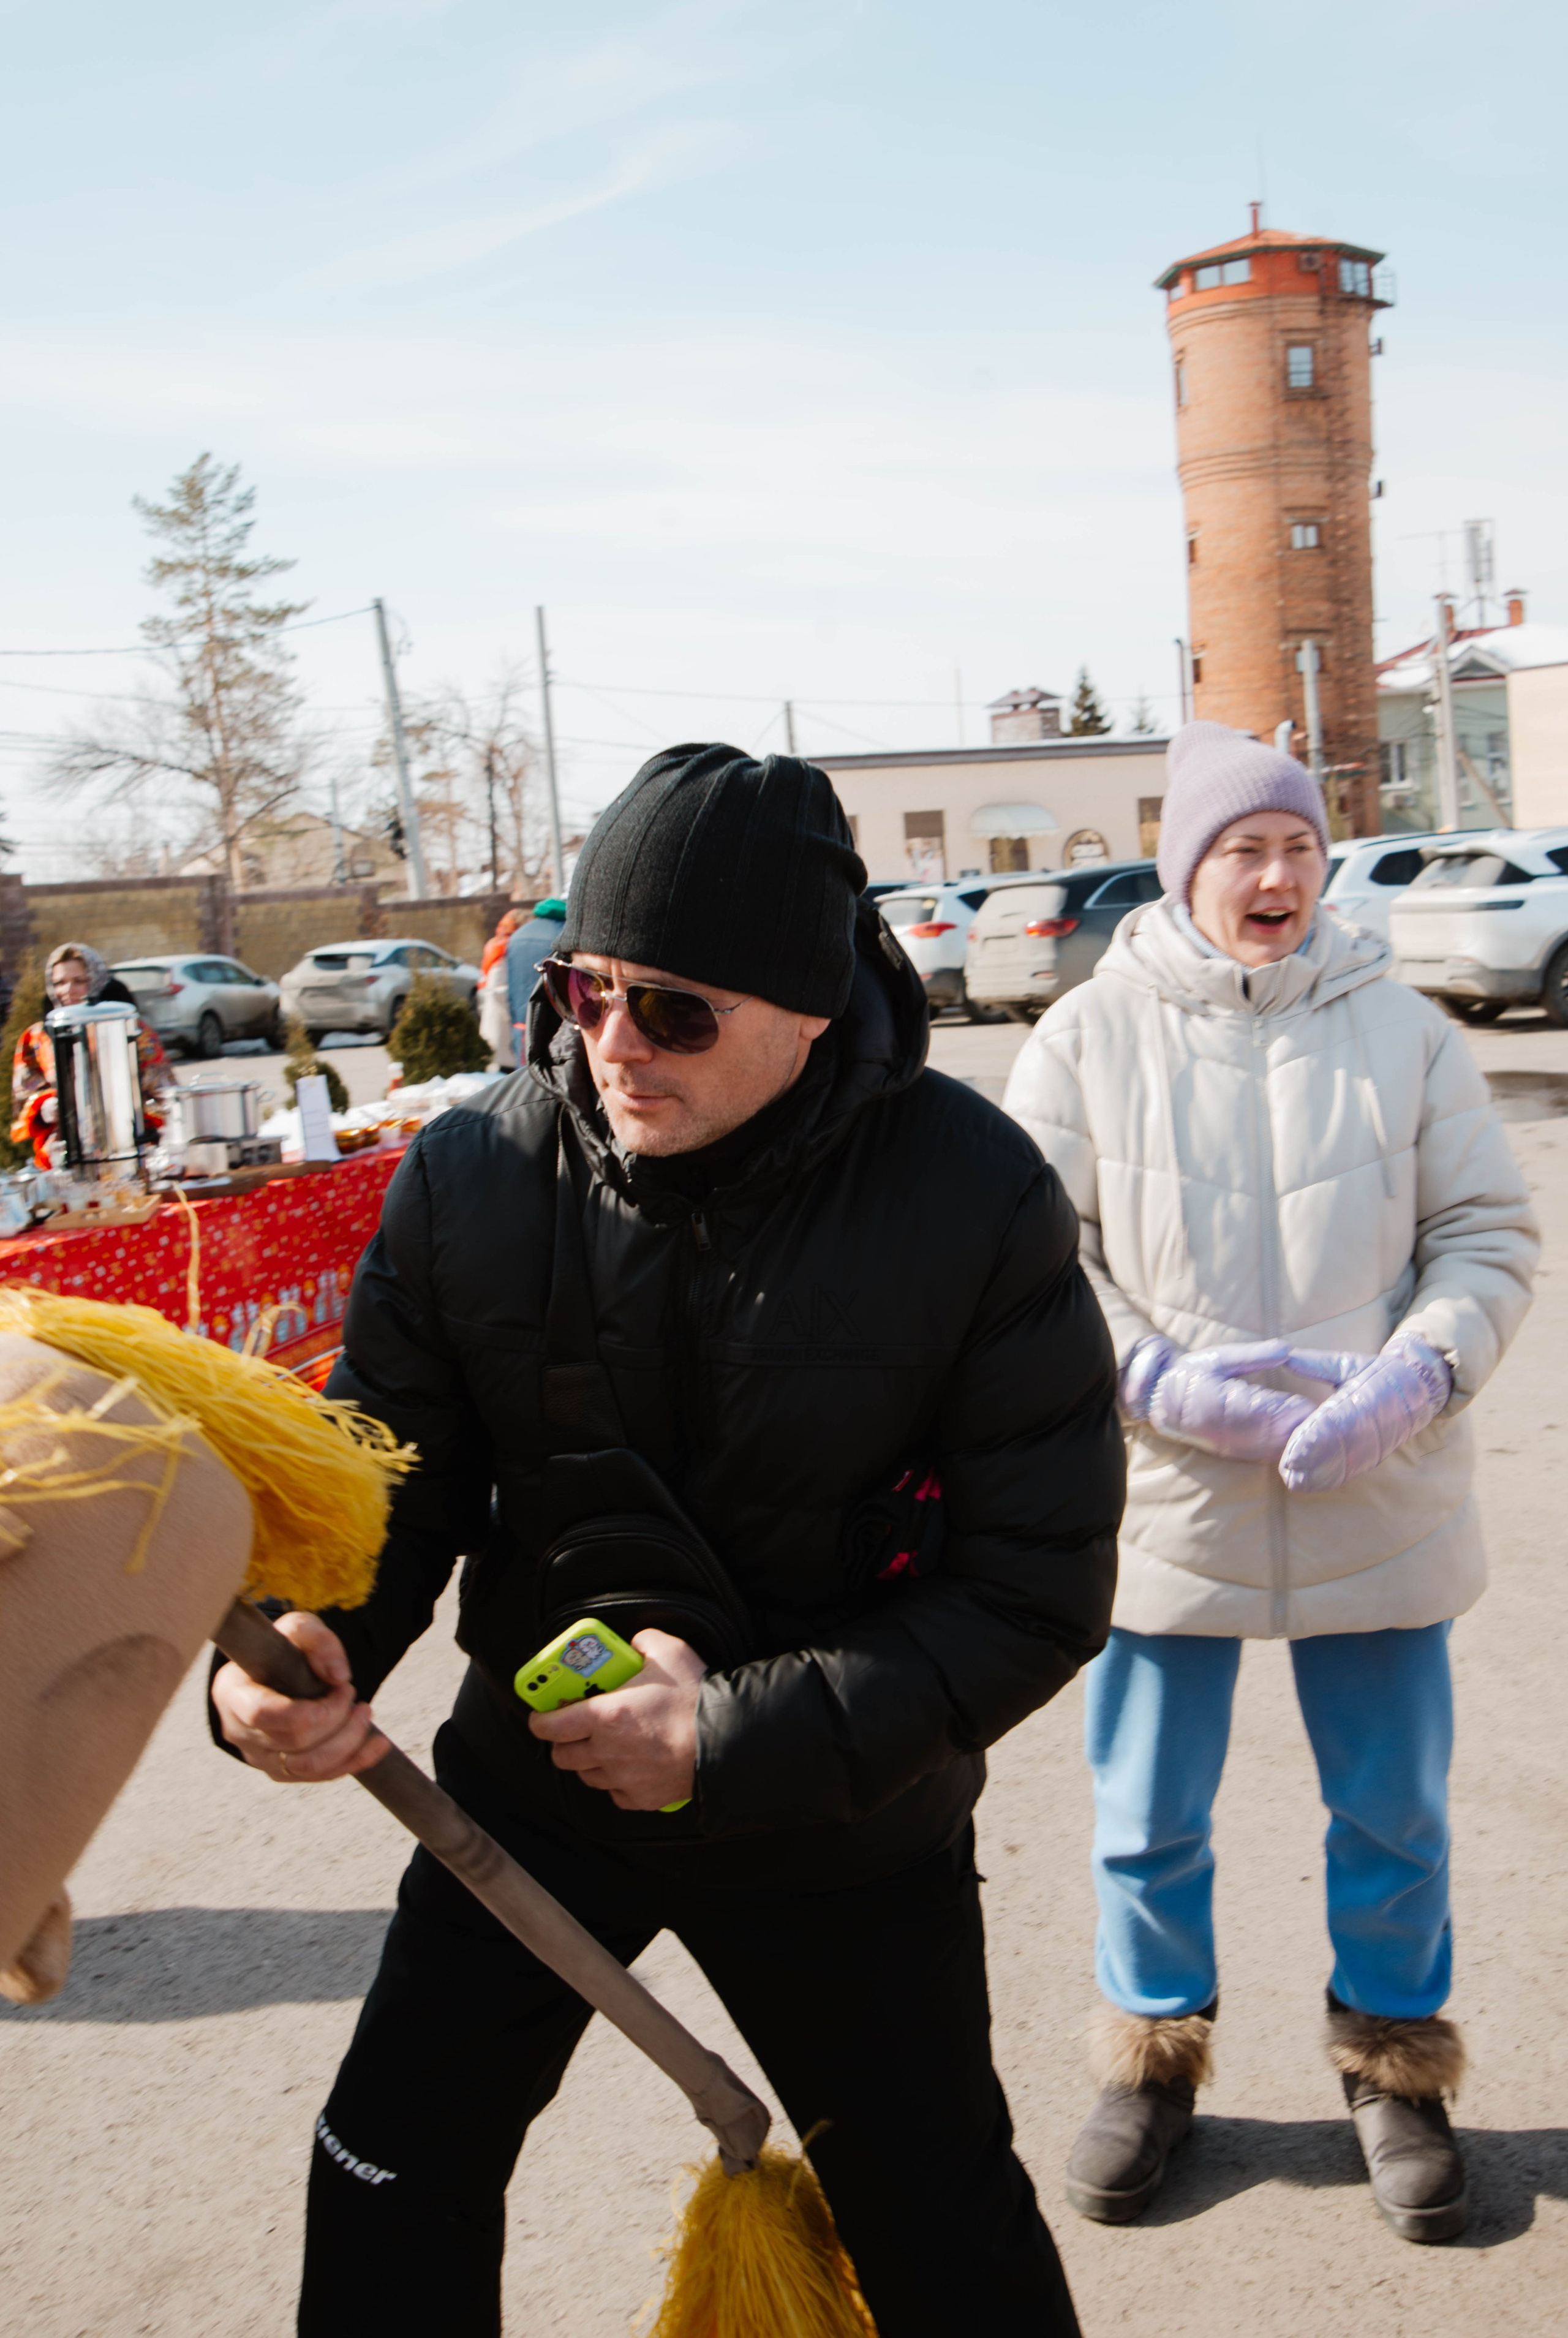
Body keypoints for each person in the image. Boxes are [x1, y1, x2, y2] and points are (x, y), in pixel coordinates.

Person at [211, 742, 1124, 2338]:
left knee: (939, 2224)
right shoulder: (473, 1174)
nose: (614, 1044)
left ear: (813, 1005)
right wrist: (306, 1643)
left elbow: (1039, 1587)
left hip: (840, 1816)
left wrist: (727, 1735)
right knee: (385, 2164)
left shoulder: (973, 1201)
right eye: (585, 990)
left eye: (674, 1010)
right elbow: (384, 1480)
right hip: (533, 1784)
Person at [1005, 722, 1537, 2244]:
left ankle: (1391, 2061)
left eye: (1296, 844)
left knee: (1392, 1808)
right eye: (1242, 846)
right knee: (1143, 1805)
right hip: (1163, 1494)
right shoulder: (1088, 1036)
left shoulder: (1405, 1030)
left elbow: (1485, 1237)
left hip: (1375, 1484)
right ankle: (1152, 2054)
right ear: (1182, 866)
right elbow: (1031, 1263)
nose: (1276, 872)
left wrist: (1416, 1375)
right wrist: (1149, 1377)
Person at [10, 941, 171, 1167]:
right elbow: (25, 1092)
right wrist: (45, 1106)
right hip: (64, 1152)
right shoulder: (37, 1037)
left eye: (79, 981)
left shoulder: (134, 1029)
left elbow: (166, 1092)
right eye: (59, 983)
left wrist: (131, 1100)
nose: (68, 990)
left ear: (96, 980)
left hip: (131, 1144)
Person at [504, 891, 567, 1052]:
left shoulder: (518, 935)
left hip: (521, 1018)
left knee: (524, 1070)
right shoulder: (563, 934)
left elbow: (510, 979)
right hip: (552, 1019)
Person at [476, 908, 521, 1070]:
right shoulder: (504, 950)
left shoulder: (495, 945)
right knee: (507, 1069)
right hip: (502, 1020)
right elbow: (497, 990)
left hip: (496, 1017)